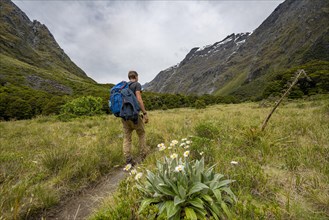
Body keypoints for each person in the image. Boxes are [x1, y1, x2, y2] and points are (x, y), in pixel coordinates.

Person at [122, 70, 149, 165]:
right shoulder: (137, 85)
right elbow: (139, 99)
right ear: (136, 76)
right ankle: (143, 156)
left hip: (124, 117)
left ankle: (128, 159)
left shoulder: (124, 86)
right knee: (141, 134)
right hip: (134, 116)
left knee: (127, 138)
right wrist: (144, 113)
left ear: (129, 77)